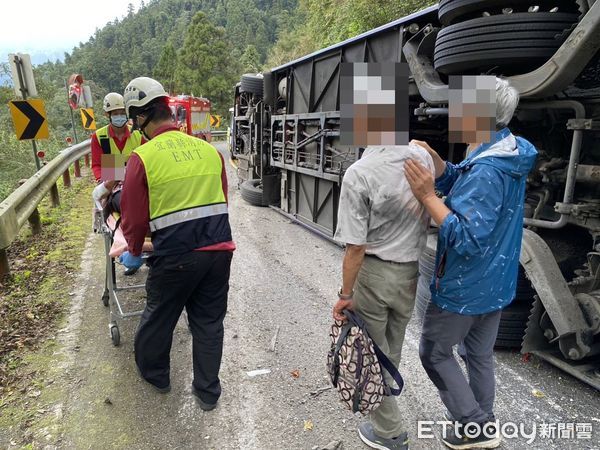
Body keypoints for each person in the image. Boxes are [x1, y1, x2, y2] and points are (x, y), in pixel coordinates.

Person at [404, 77, 537, 449]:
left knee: (433, 351)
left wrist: (428, 195)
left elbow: (466, 237)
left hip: (466, 286)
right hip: (495, 283)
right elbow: (468, 183)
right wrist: (442, 166)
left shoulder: (487, 171)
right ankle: (483, 416)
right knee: (477, 354)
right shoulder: (505, 153)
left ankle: (473, 426)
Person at [119, 77, 235, 410]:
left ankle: (157, 375)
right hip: (218, 252)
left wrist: (135, 249)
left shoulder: (143, 158)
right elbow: (222, 201)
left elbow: (134, 220)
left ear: (140, 116)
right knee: (209, 323)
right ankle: (208, 391)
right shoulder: (208, 151)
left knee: (160, 316)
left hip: (175, 257)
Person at [333, 141, 434, 450]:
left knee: (371, 355)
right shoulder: (421, 158)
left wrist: (345, 294)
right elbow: (440, 171)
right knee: (390, 348)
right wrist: (429, 151)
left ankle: (389, 433)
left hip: (374, 275)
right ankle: (384, 394)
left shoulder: (360, 173)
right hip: (409, 274)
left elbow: (356, 247)